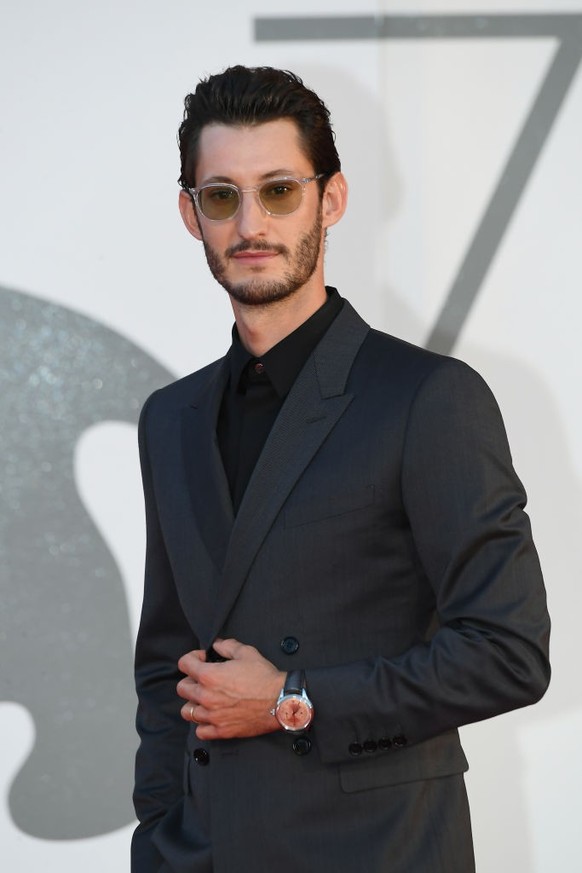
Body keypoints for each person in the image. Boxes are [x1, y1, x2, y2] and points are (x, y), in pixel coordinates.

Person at [132, 65, 550, 873]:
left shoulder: (428, 398)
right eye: (222, 196)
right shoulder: (170, 420)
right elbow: (164, 662)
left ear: (332, 199)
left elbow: (508, 650)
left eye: (279, 190)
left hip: (377, 850)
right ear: (192, 214)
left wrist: (292, 697)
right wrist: (159, 831)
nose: (251, 222)